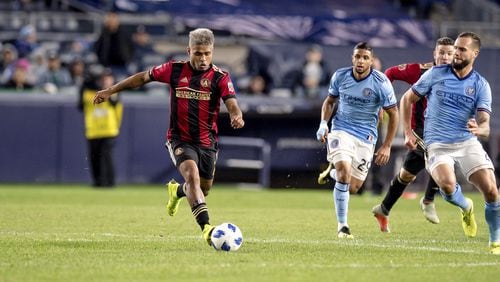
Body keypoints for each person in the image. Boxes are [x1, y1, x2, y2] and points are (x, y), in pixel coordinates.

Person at [93, 28, 245, 246]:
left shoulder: (220, 77)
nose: (203, 59)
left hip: (207, 142)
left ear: (212, 52)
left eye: (207, 54)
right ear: (189, 50)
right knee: (192, 176)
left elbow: (231, 102)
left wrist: (236, 115)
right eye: (198, 53)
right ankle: (207, 229)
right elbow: (142, 78)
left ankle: (177, 191)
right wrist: (111, 90)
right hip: (179, 139)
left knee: (203, 189)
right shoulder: (174, 70)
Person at [400, 32, 499, 254]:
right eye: (456, 47)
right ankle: (466, 206)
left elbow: (485, 123)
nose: (456, 52)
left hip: (466, 142)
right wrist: (407, 131)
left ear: (475, 53)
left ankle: (495, 242)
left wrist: (479, 128)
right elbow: (407, 98)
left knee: (492, 191)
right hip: (437, 143)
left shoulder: (480, 85)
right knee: (446, 185)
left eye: (462, 49)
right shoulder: (436, 73)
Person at [371, 37, 455, 232]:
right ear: (434, 54)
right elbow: (390, 73)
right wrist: (383, 103)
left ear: (454, 56)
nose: (444, 57)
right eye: (441, 52)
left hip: (442, 130)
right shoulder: (420, 71)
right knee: (442, 155)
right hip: (420, 131)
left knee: (406, 175)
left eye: (449, 53)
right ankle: (428, 200)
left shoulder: (457, 76)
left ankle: (383, 208)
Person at [316, 42, 399, 238]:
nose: (360, 61)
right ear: (352, 58)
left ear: (371, 61)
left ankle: (334, 172)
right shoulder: (340, 76)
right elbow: (330, 101)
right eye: (357, 57)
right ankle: (343, 226)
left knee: (353, 187)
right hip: (341, 130)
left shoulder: (381, 82)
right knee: (345, 172)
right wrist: (323, 123)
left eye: (365, 58)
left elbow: (394, 114)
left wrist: (386, 146)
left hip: (366, 137)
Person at [78, 67, 122, 188]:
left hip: (109, 129)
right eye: (103, 78)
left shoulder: (114, 92)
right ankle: (98, 182)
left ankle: (109, 182)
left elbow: (115, 103)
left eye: (108, 78)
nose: (106, 80)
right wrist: (85, 84)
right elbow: (80, 105)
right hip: (93, 130)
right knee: (94, 157)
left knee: (106, 157)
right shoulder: (89, 92)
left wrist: (109, 88)